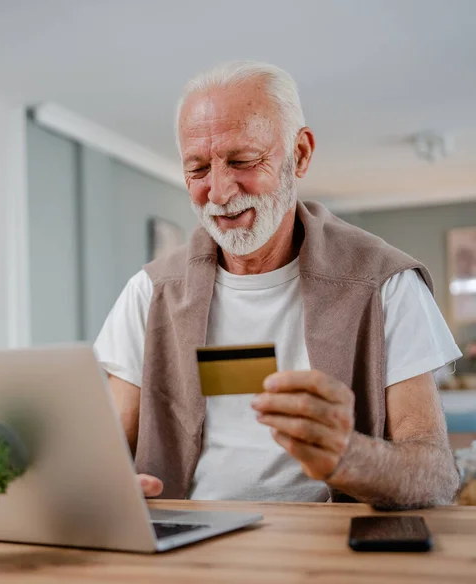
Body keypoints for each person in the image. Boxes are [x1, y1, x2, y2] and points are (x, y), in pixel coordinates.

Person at [95, 61, 461, 509]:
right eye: (198, 169)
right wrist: (100, 485)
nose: (220, 192)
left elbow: (436, 477)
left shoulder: (386, 283)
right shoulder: (149, 293)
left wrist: (348, 456)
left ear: (300, 154)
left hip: (328, 545)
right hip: (188, 546)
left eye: (243, 161)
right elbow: (106, 448)